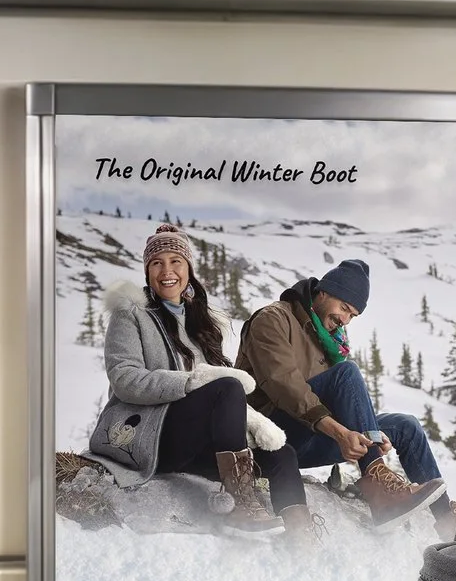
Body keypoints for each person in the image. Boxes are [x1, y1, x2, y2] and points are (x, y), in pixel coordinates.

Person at [92, 224, 310, 538]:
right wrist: (193, 381)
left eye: (175, 261)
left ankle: (300, 538)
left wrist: (253, 425)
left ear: (188, 268)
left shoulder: (202, 323)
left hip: (197, 441)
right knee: (226, 386)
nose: (167, 270)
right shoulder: (131, 314)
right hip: (152, 436)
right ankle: (239, 503)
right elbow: (126, 379)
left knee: (282, 454)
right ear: (147, 272)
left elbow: (223, 395)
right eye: (157, 263)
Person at [236, 258, 448, 526]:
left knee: (405, 426)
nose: (344, 320)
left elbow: (334, 400)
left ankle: (449, 524)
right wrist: (341, 432)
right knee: (346, 373)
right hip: (269, 438)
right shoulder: (273, 319)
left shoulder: (326, 338)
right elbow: (284, 385)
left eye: (353, 316)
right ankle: (379, 489)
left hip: (308, 433)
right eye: (344, 308)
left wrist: (369, 431)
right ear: (322, 292)